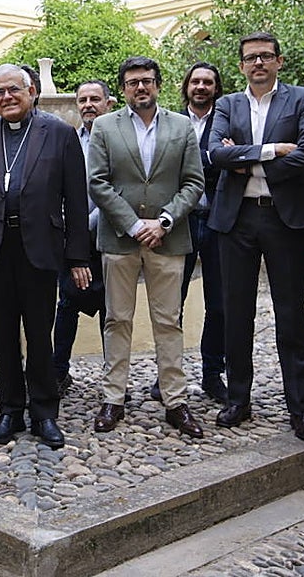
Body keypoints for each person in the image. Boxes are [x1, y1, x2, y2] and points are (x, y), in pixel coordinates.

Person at [0, 64, 92, 449]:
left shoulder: (59, 134)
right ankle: (10, 409)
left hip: (40, 249)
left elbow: (75, 202)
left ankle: (45, 412)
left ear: (32, 92)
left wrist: (78, 258)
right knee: (2, 336)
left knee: (39, 334)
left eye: (14, 90)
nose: (7, 97)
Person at [207, 32, 304, 442]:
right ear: (240, 65)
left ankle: (301, 409)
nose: (258, 63)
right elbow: (215, 154)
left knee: (291, 314)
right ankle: (238, 399)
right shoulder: (227, 104)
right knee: (236, 313)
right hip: (237, 220)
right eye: (250, 58)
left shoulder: (301, 99)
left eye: (266, 57)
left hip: (283, 219)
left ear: (279, 61)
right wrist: (272, 151)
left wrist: (245, 158)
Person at [88, 58, 206, 438]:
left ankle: (175, 401)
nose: (141, 88)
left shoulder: (181, 126)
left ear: (158, 85)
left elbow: (193, 182)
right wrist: (135, 224)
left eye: (147, 81)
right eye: (133, 82)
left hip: (169, 237)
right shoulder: (105, 126)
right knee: (117, 318)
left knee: (168, 321)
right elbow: (98, 182)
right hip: (121, 238)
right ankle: (113, 398)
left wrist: (165, 221)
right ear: (122, 88)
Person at [53, 80, 112, 397]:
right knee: (67, 306)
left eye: (95, 99)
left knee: (111, 310)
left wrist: (83, 224)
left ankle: (114, 380)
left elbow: (117, 192)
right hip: (74, 242)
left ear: (108, 103)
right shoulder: (70, 140)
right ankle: (59, 372)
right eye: (83, 100)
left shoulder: (117, 139)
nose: (88, 104)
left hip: (108, 237)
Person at [175, 63, 228, 404]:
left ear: (216, 88)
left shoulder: (227, 122)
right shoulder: (172, 122)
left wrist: (217, 155)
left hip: (218, 219)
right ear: (186, 86)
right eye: (195, 81)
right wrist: (213, 156)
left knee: (219, 301)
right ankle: (170, 372)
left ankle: (213, 373)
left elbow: (230, 159)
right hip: (180, 220)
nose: (201, 86)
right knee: (171, 301)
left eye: (208, 82)